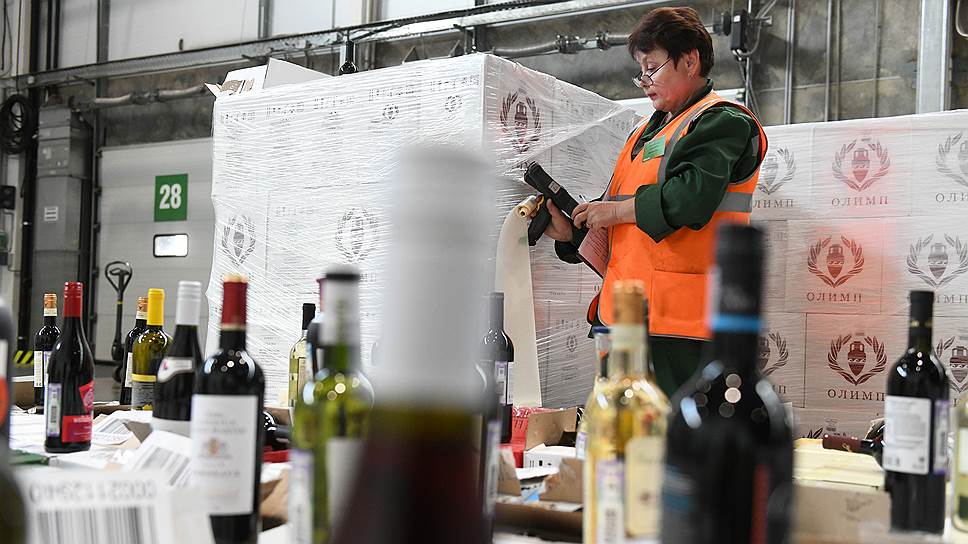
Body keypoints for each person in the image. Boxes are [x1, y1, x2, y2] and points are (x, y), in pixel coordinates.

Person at [541, 6, 769, 397]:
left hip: (678, 326)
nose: (644, 81)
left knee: (669, 430)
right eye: (640, 71)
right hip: (623, 320)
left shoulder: (723, 122)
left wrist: (612, 211)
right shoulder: (642, 134)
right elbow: (628, 236)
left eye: (652, 68)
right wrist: (572, 235)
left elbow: (687, 201)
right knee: (619, 430)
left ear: (690, 61)